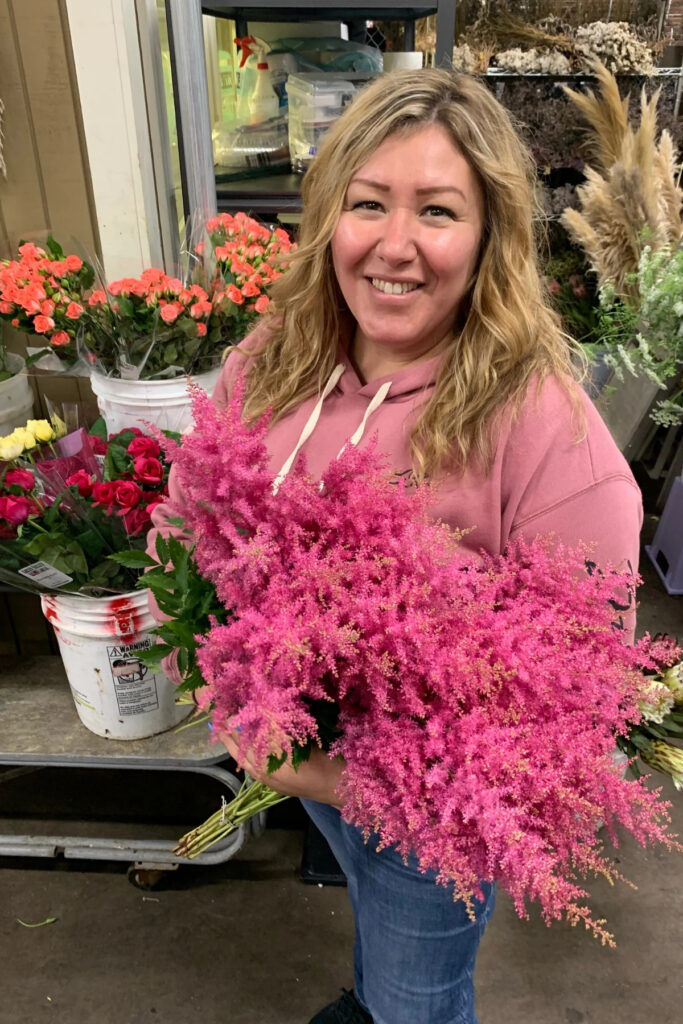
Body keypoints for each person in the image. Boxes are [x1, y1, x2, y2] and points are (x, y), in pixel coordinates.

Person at [149, 69, 642, 1024]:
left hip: (432, 817)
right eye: (368, 203)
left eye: (439, 211)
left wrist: (329, 774)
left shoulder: (547, 429)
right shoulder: (273, 359)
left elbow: (586, 696)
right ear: (331, 215)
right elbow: (190, 522)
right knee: (371, 932)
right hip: (297, 756)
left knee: (419, 997)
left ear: (491, 234)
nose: (396, 246)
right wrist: (232, 680)